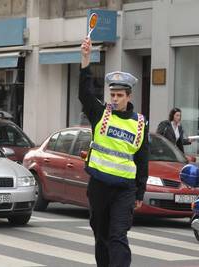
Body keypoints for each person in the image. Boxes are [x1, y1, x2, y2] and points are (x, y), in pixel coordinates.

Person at [79, 37, 149, 267]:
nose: (115, 99)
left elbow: (142, 159)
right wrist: (86, 59)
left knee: (118, 235)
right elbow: (85, 94)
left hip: (124, 189)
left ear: (129, 97)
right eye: (113, 95)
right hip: (99, 186)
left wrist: (140, 192)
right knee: (101, 236)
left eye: (120, 95)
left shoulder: (139, 123)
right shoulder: (101, 115)